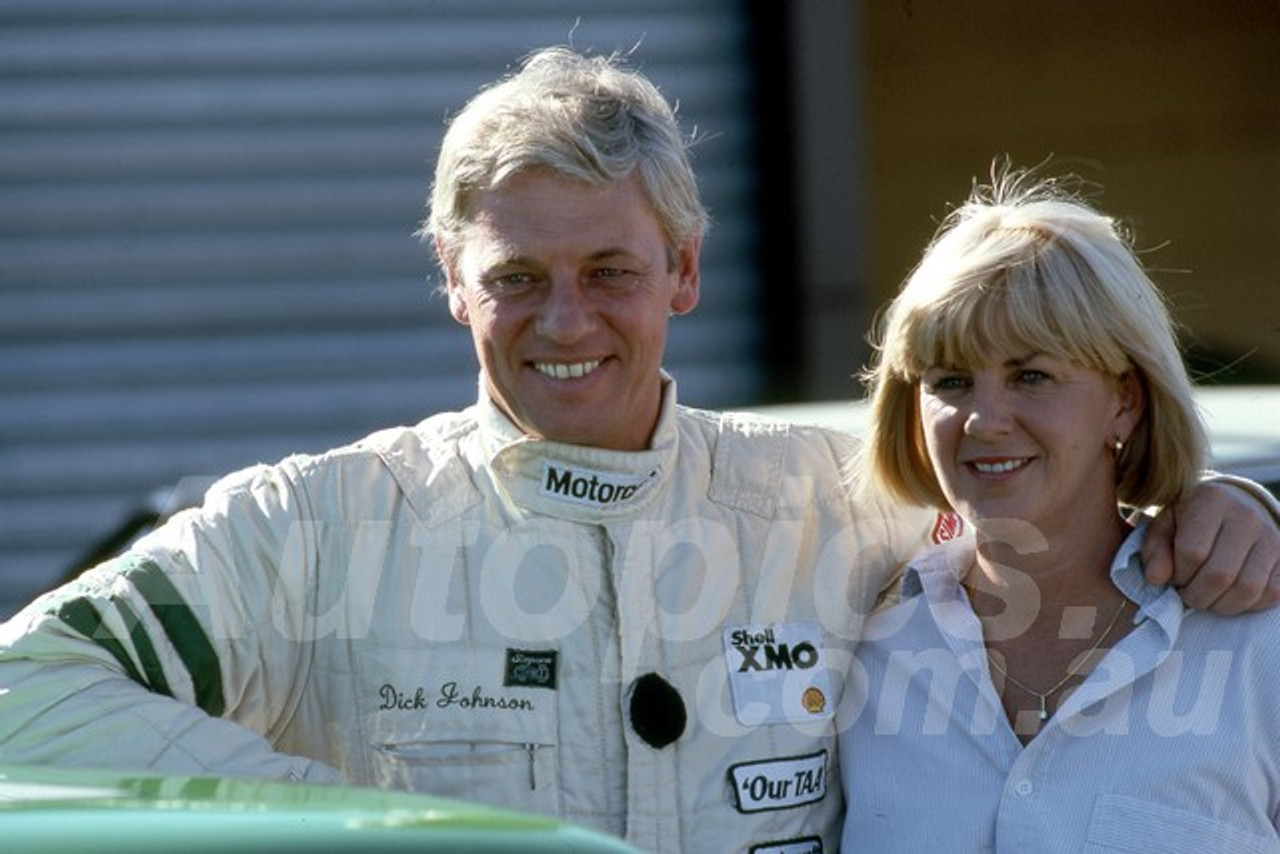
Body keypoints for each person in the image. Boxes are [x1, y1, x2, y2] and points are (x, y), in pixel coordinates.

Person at [0, 50, 1275, 854]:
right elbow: (24, 688)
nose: (566, 321)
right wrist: (369, 830)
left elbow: (1049, 513)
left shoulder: (836, 504)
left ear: (683, 270)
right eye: (517, 278)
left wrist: (1219, 499)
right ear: (453, 283)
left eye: (609, 269)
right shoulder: (317, 526)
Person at [840, 168, 1280, 852]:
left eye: (1032, 376)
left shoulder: (1256, 638)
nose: (985, 420)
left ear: (1126, 399)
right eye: (951, 380)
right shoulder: (856, 640)